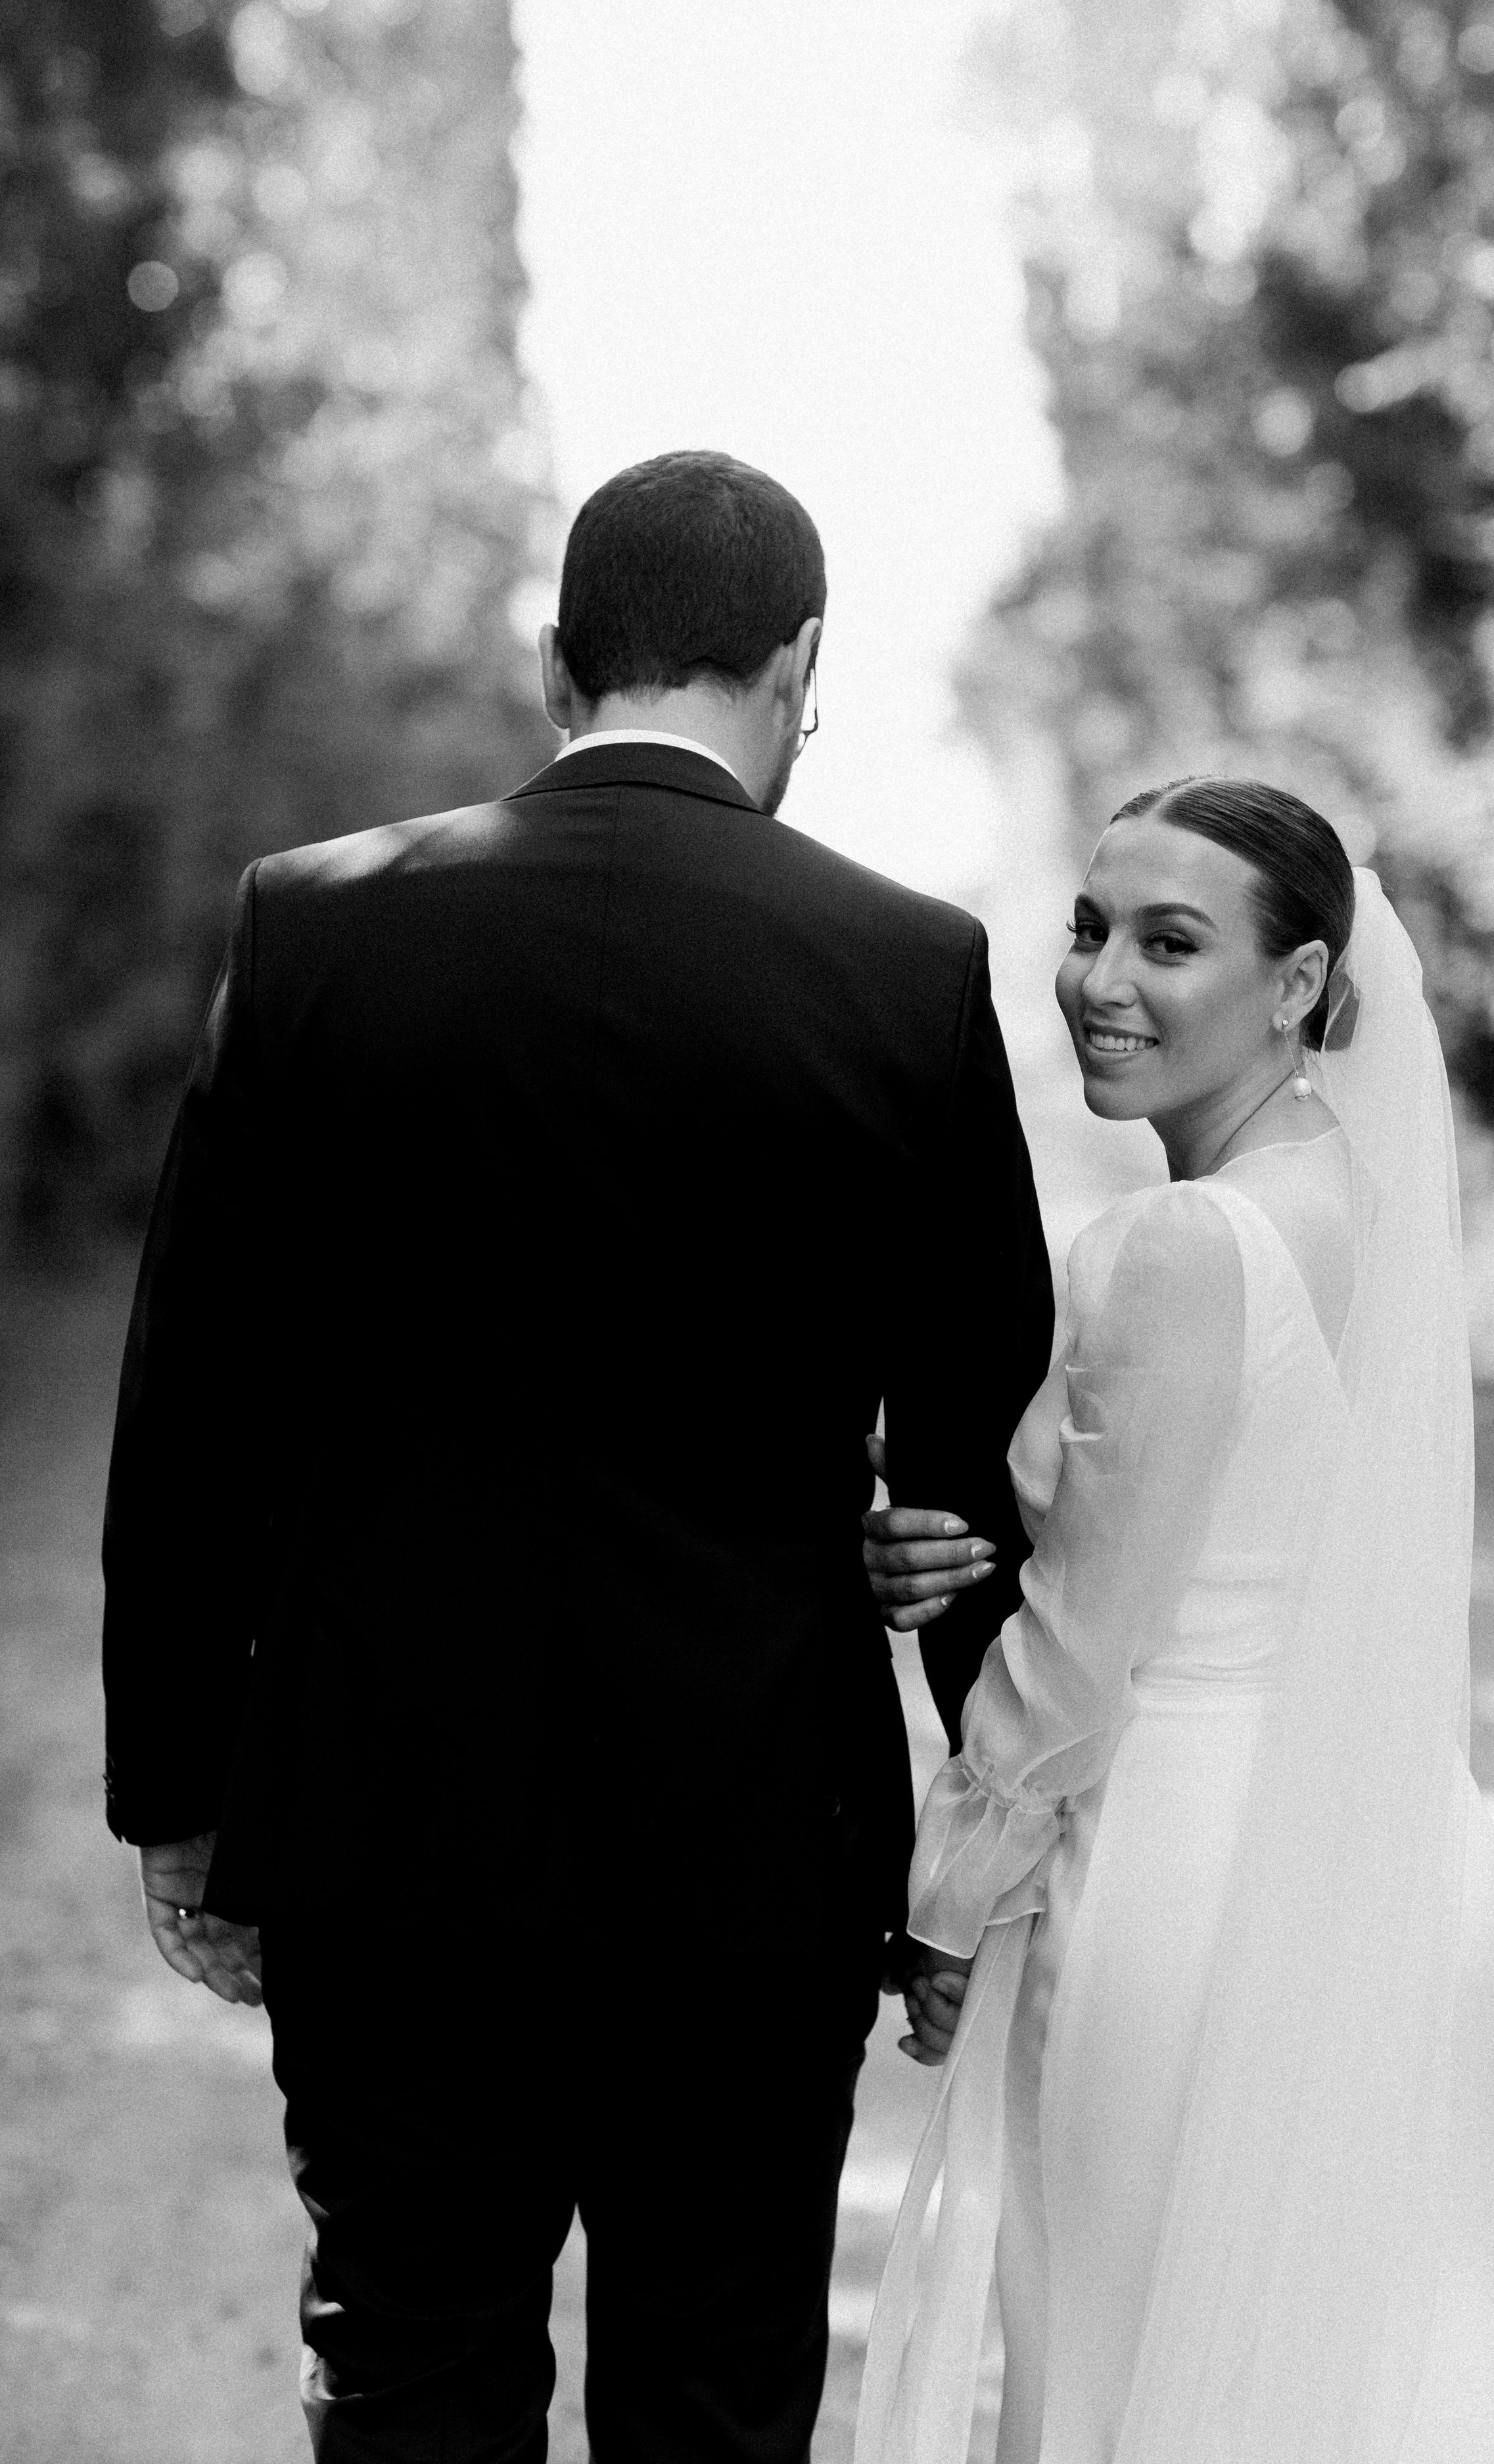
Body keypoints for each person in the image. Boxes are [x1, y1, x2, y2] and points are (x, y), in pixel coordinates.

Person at [101, 449, 1054, 2463]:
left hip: (386, 1821)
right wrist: (986, 1822)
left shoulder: (316, 926)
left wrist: (181, 1791)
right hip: (754, 1835)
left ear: (556, 660)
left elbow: (194, 1401)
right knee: (712, 2395)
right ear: (800, 663)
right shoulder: (907, 967)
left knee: (412, 2361)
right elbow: (970, 1451)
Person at [853, 778, 1494, 2464]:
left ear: (1299, 985)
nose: (1100, 981)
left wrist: (945, 1901)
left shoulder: (1181, 1244)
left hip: (1187, 1882)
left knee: (1112, 2382)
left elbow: (1082, 1648)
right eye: (1088, 929)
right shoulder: (1374, 1211)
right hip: (1398, 1872)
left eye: (1169, 942)